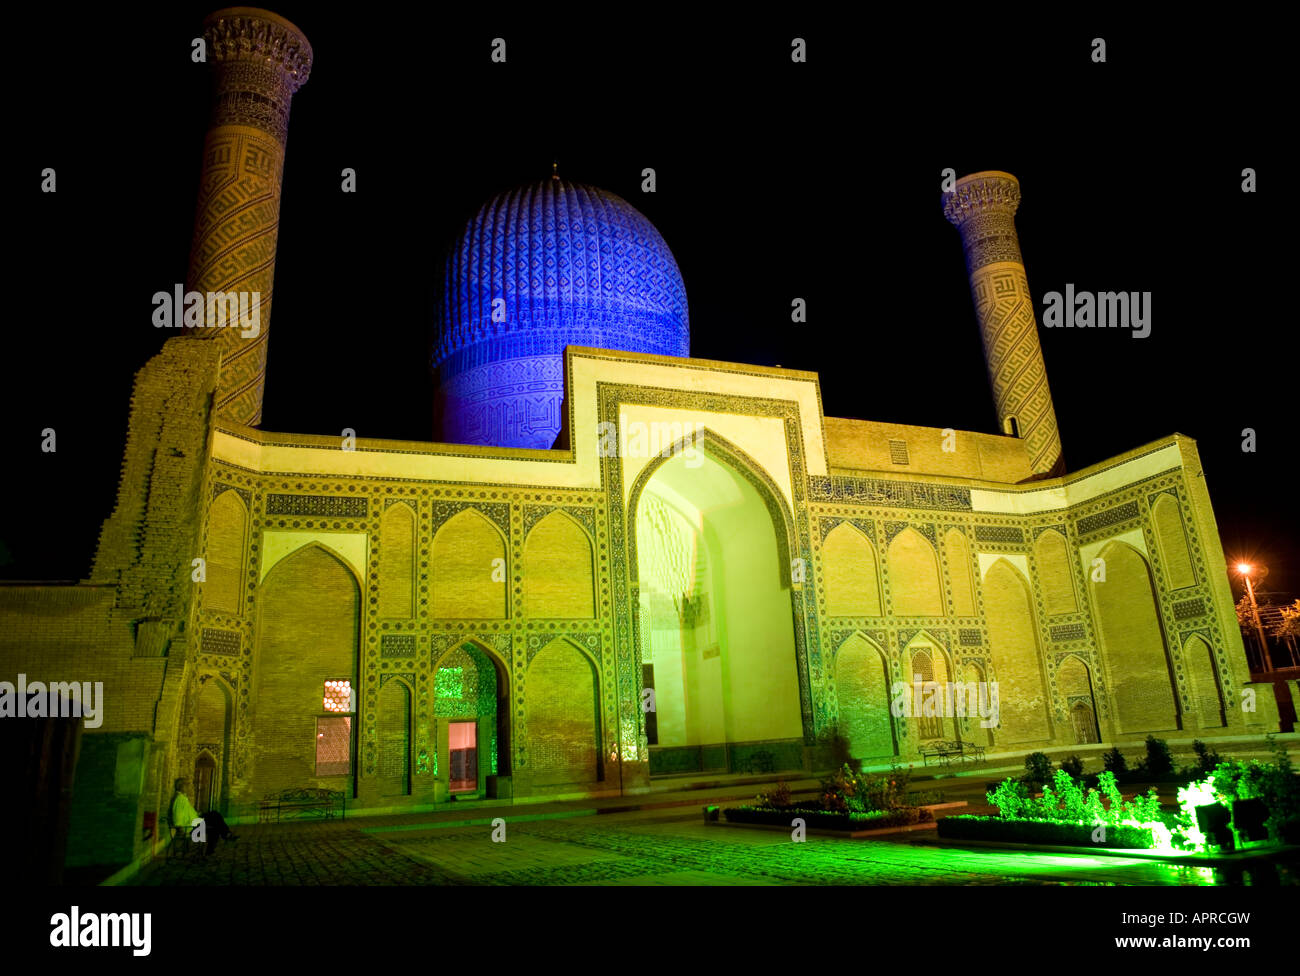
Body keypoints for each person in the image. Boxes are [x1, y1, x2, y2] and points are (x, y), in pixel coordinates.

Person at [171, 777, 237, 856]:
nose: (188, 787)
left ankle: (225, 835)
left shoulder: (182, 797)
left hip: (196, 820)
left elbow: (188, 813)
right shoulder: (180, 799)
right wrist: (182, 830)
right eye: (186, 785)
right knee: (215, 821)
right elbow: (177, 818)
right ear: (181, 786)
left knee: (215, 815)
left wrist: (197, 814)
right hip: (191, 826)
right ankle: (225, 835)